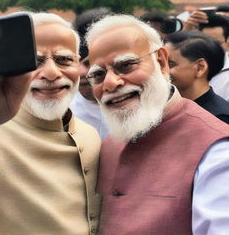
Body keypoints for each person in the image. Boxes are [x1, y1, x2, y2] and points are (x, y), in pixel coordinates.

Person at [85, 14, 229, 234]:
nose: (111, 83)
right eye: (98, 75)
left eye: (125, 65)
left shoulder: (217, 149)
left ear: (161, 61)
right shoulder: (108, 145)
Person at [0, 11, 101, 235]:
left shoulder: (88, 133)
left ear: (80, 66)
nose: (51, 73)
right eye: (34, 61)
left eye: (64, 60)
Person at [164, 30, 229, 123]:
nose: (161, 70)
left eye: (170, 64)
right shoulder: (165, 108)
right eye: (160, 63)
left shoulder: (219, 118)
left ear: (200, 67)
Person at [70, 8, 111, 139]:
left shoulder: (145, 111)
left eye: (91, 63)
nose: (83, 72)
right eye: (74, 61)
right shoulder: (62, 112)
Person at [184, 11, 229, 101]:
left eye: (217, 43)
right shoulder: (184, 67)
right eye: (204, 42)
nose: (210, 48)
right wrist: (186, 31)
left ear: (227, 40)